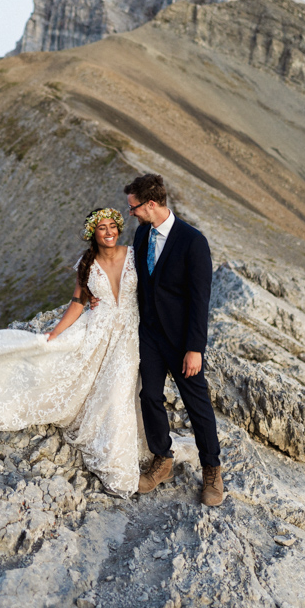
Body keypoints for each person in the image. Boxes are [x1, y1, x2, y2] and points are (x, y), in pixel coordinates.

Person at [0, 208, 143, 496]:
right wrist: (54, 334)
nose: (109, 232)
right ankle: (118, 469)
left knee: (119, 394)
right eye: (102, 228)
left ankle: (120, 466)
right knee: (65, 373)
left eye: (113, 226)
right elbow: (77, 304)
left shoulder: (134, 254)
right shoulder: (87, 262)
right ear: (93, 233)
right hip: (97, 330)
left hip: (130, 334)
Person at [126, 173, 224, 506]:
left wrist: (195, 348)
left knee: (198, 406)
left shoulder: (193, 241)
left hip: (183, 342)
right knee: (149, 395)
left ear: (151, 204)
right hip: (150, 336)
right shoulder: (142, 235)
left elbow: (200, 299)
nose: (132, 214)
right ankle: (162, 459)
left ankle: (212, 470)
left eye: (134, 207)